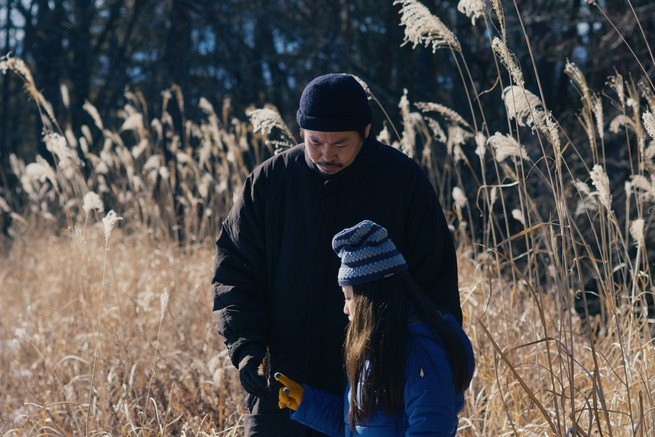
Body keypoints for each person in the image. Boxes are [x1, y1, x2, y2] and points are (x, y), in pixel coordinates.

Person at [212, 73, 462, 435]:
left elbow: (434, 291)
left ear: (366, 130)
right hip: (284, 392)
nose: (326, 154)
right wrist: (246, 347)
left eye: (340, 143)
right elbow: (235, 273)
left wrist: (424, 370)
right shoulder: (270, 182)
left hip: (375, 396)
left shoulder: (403, 184)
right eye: (315, 142)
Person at [276, 220, 475, 436]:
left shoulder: (421, 353)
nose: (345, 308)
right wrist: (307, 403)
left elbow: (431, 429)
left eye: (349, 297)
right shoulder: (380, 349)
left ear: (368, 300)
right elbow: (357, 427)